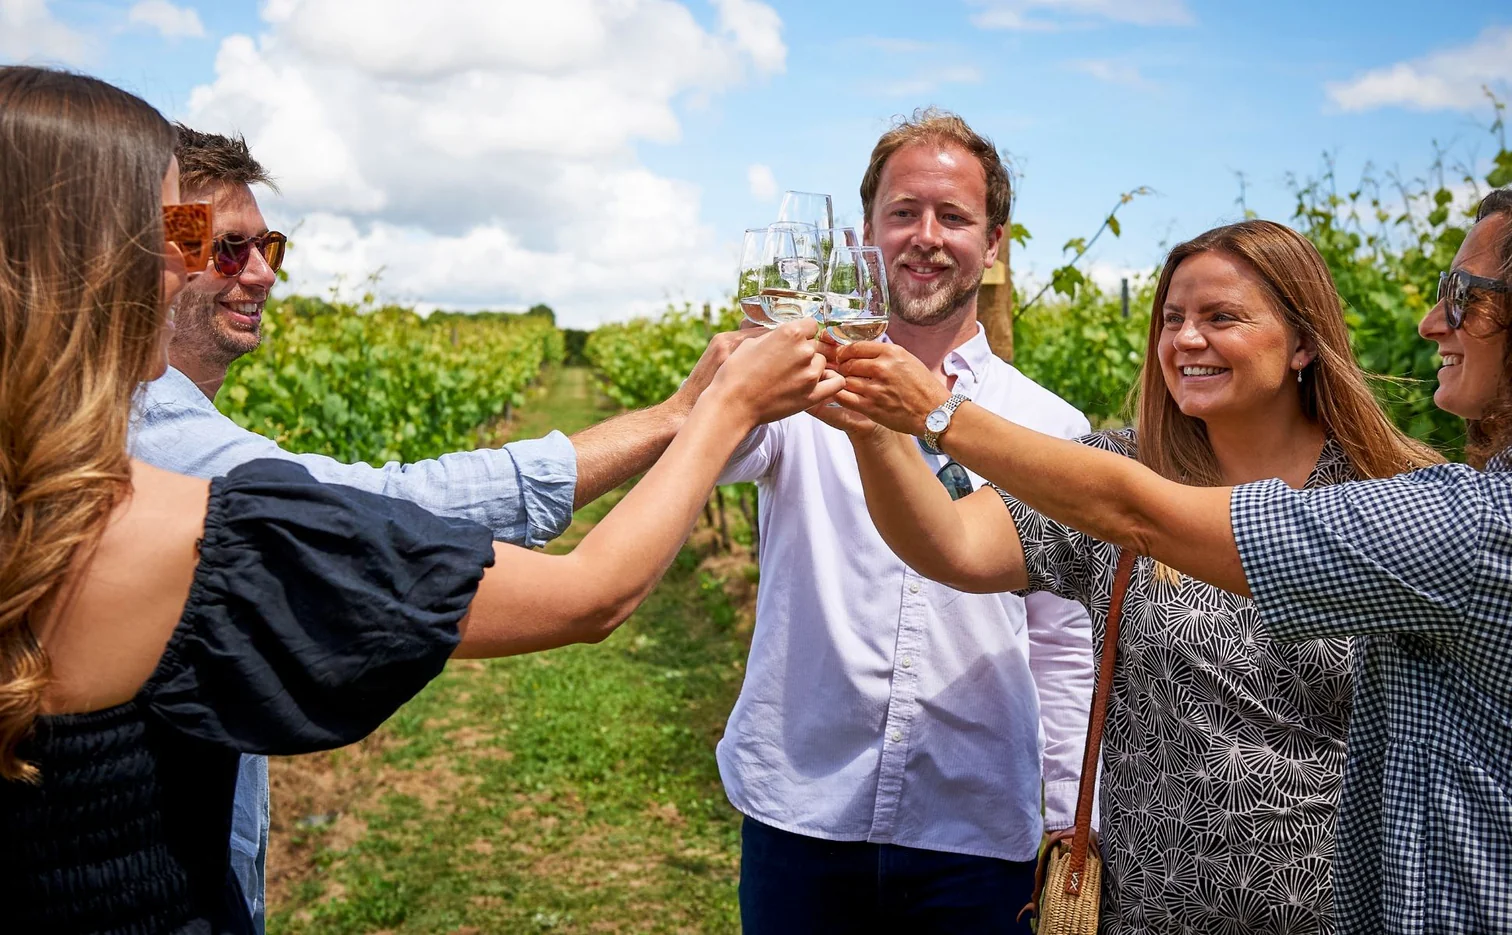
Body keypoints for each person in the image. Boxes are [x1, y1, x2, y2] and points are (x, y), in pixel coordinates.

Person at [0, 65, 840, 935]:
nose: (194, 272)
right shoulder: (167, 521)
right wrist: (722, 411)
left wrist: (677, 415)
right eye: (179, 236)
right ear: (85, 257)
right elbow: (587, 592)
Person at [832, 191, 1512, 934]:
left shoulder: (1389, 497)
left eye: (1221, 317)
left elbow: (1140, 513)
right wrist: (873, 428)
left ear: (1303, 343)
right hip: (1150, 913)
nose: (1187, 339)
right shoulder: (1112, 469)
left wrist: (940, 410)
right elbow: (948, 543)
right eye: (1171, 319)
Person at [131, 125, 756, 930]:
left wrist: (672, 417)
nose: (260, 274)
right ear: (153, 257)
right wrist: (707, 417)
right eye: (225, 251)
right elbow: (401, 518)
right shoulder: (162, 436)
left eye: (270, 247)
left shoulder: (160, 424)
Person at [718, 108, 1095, 934]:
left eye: (954, 217)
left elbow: (1063, 644)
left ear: (993, 243)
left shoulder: (1050, 428)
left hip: (975, 828)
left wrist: (1070, 817)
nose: (926, 236)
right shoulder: (797, 392)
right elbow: (705, 461)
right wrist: (737, 375)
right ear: (864, 233)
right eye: (903, 213)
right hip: (801, 808)